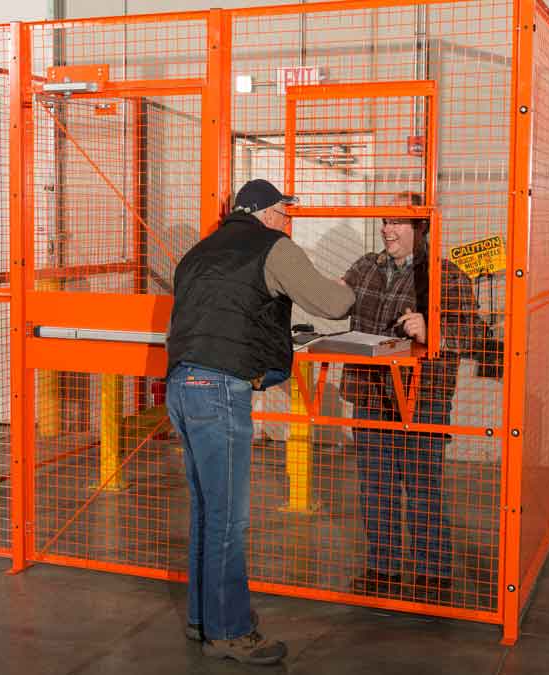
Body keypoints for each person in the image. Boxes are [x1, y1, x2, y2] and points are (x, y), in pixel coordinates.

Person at [165, 179, 355, 665]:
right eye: (284, 213)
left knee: (207, 511)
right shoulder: (273, 248)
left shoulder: (199, 252)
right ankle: (229, 631)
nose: (288, 221)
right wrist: (352, 288)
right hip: (220, 391)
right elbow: (332, 305)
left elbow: (222, 313)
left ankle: (201, 618)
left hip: (181, 386)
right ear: (266, 214)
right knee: (228, 518)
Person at [340, 191, 495, 598]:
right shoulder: (365, 267)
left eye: (396, 222)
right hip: (369, 394)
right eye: (385, 221)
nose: (386, 229)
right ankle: (383, 569)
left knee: (423, 485)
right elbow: (334, 301)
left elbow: (475, 334)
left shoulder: (445, 275)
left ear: (420, 228)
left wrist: (433, 332)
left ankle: (432, 573)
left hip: (421, 396)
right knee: (375, 486)